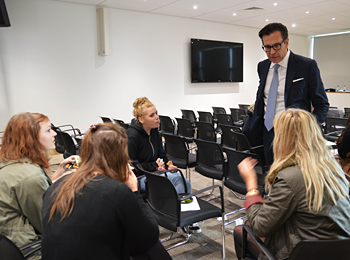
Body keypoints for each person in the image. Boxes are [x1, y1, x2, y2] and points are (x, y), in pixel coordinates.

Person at [41, 123, 171, 260]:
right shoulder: (117, 191)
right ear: (119, 154)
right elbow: (149, 237)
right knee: (152, 247)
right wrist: (134, 191)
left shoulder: (57, 185)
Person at [234, 109, 350, 260]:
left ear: (282, 139)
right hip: (339, 251)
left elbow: (260, 226)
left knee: (241, 230)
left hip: (303, 253)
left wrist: (251, 185)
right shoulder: (332, 167)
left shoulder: (289, 177)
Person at [247, 22, 329, 166]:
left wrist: (309, 130)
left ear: (287, 42)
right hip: (267, 132)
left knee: (293, 179)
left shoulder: (306, 66)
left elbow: (322, 104)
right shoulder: (263, 66)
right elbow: (262, 98)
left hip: (295, 135)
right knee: (270, 175)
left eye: (276, 46)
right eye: (267, 47)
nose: (271, 52)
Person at [0, 112, 75, 259]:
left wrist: (55, 177)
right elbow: (49, 225)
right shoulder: (30, 177)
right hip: (33, 251)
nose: (54, 133)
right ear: (31, 138)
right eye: (48, 130)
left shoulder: (9, 162)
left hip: (14, 245)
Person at [126, 97, 192, 195]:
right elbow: (133, 167)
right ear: (141, 119)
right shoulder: (132, 136)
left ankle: (181, 206)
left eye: (156, 113)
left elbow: (161, 154)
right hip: (139, 178)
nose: (157, 117)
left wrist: (169, 165)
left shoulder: (154, 131)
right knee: (177, 180)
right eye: (152, 115)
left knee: (185, 182)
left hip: (154, 172)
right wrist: (155, 166)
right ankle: (179, 208)